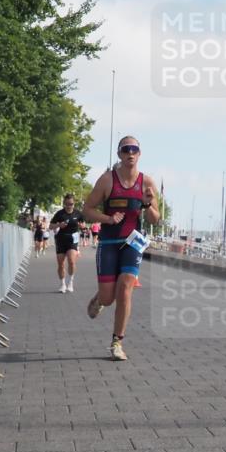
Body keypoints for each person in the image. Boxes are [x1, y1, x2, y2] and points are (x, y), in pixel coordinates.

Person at [82, 136, 160, 361]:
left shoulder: (147, 182)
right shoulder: (107, 180)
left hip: (132, 243)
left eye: (134, 149)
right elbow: (87, 210)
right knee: (109, 298)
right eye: (126, 149)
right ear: (119, 154)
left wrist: (147, 204)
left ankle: (117, 342)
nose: (130, 153)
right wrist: (107, 218)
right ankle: (100, 299)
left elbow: (155, 219)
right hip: (108, 243)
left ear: (139, 153)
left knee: (125, 288)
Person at [49, 193, 85, 293]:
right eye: (67, 204)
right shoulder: (59, 214)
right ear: (64, 203)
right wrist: (59, 225)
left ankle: (70, 282)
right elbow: (50, 226)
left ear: (74, 203)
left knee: (71, 261)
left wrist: (82, 226)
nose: (69, 206)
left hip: (72, 240)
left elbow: (83, 224)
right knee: (61, 264)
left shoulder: (78, 213)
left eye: (71, 204)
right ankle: (63, 284)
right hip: (61, 240)